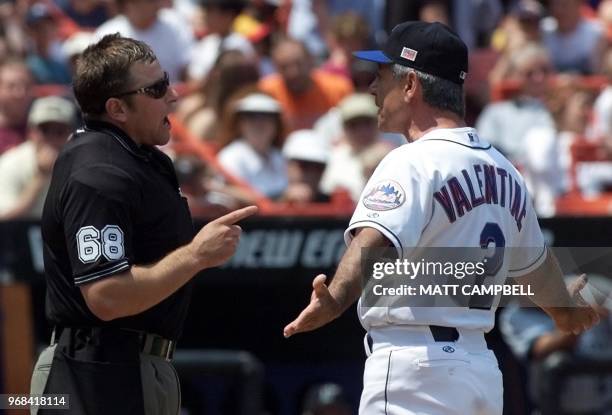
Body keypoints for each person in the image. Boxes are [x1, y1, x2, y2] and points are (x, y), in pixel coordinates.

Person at [284, 21, 600, 415]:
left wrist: (336, 299)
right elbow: (535, 267)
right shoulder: (504, 168)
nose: (372, 88)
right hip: (480, 373)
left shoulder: (411, 161)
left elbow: (373, 241)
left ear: (411, 84)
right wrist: (563, 310)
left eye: (381, 76)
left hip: (415, 368)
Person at [29, 34, 257, 415]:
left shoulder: (140, 160)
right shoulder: (98, 172)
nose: (173, 96)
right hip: (93, 377)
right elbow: (108, 296)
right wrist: (196, 256)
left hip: (128, 369)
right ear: (117, 108)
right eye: (156, 88)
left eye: (166, 80)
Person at [0, 96, 76, 220]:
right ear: (31, 132)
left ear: (70, 134)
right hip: (21, 236)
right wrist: (40, 177)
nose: (52, 138)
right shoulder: (10, 163)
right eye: (45, 130)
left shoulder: (80, 164)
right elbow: (4, 220)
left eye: (59, 131)